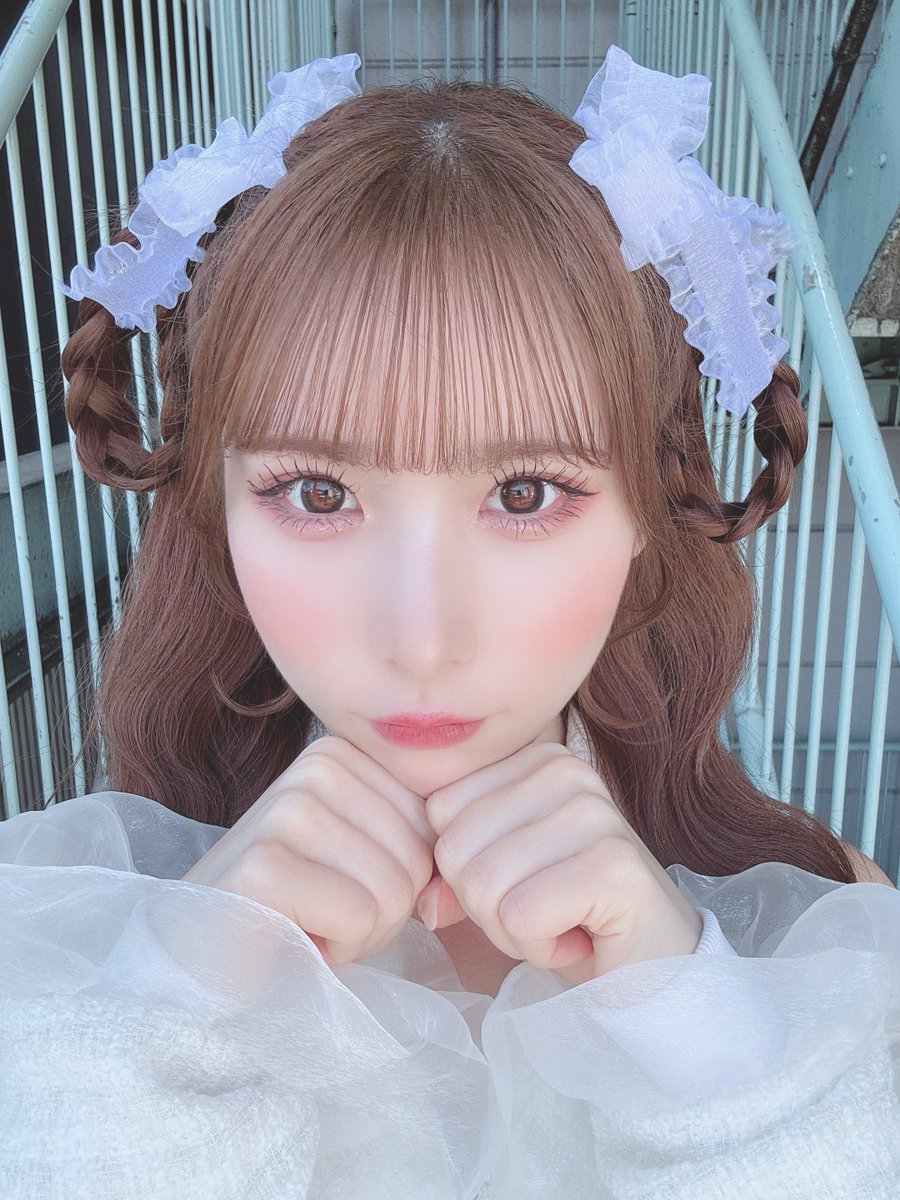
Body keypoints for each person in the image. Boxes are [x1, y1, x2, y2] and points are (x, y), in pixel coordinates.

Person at [0, 46, 897, 1199]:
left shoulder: (824, 927)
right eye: (316, 493)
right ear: (215, 506)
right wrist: (161, 1024)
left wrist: (701, 1035)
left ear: (648, 506)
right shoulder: (67, 924)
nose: (420, 641)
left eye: (524, 494)